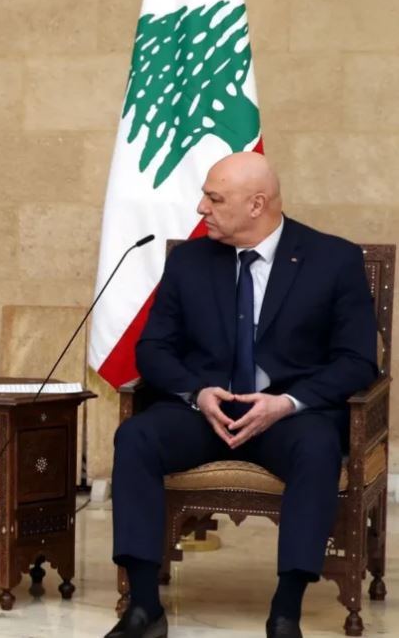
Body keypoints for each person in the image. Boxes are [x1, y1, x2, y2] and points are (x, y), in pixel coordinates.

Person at [106, 152, 378, 638]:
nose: (201, 208)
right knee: (136, 437)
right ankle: (144, 607)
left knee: (317, 447)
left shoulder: (333, 260)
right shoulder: (189, 261)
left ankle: (285, 610)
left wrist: (286, 403)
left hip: (288, 416)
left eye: (214, 199)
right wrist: (196, 393)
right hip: (206, 412)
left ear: (257, 204)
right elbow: (153, 349)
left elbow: (357, 361)